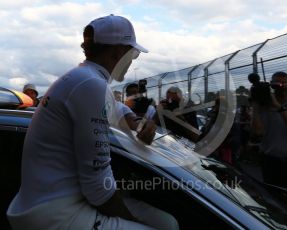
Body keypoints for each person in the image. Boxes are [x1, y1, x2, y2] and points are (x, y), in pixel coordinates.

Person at [7, 15, 178, 230]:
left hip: (51, 201)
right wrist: (131, 222)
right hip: (56, 212)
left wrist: (134, 121)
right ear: (118, 51)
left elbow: (115, 108)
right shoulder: (89, 84)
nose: (134, 59)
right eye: (133, 53)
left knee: (168, 223)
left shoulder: (84, 79)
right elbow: (98, 187)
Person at [251, 71, 287, 190]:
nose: (281, 87)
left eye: (285, 83)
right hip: (270, 161)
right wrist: (256, 108)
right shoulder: (264, 107)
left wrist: (278, 107)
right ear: (271, 86)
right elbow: (258, 132)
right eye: (277, 84)